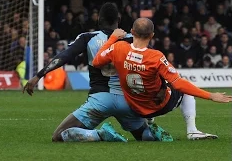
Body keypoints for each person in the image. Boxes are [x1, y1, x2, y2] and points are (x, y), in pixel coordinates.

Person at [23, 2, 172, 142]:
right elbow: (155, 61)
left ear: (99, 19)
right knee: (143, 136)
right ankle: (150, 132)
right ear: (118, 19)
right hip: (127, 101)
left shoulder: (88, 38)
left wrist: (38, 76)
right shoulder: (132, 39)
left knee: (59, 136)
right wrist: (163, 87)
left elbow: (64, 56)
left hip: (100, 100)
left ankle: (99, 134)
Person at [92, 18, 232, 140]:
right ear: (152, 35)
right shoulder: (155, 57)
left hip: (134, 107)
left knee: (160, 82)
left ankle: (150, 121)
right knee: (185, 88)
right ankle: (192, 131)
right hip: (157, 106)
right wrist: (211, 95)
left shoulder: (118, 47)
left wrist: (112, 38)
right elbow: (178, 84)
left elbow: (96, 62)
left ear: (132, 32)